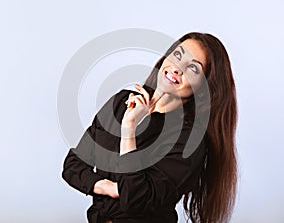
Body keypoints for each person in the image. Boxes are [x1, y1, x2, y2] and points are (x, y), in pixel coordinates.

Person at [62, 32, 238, 223]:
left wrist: (128, 131)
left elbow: (136, 200)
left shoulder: (189, 141)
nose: (178, 68)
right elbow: (72, 166)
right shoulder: (121, 102)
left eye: (193, 68)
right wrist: (105, 187)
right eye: (177, 55)